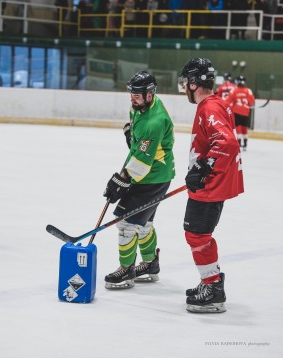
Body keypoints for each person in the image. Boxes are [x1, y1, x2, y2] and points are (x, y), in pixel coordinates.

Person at [177, 57, 244, 313]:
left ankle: (213, 288)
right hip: (211, 183)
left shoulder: (209, 108)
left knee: (196, 235)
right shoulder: (218, 103)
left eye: (186, 83)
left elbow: (227, 143)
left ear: (194, 84)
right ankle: (210, 280)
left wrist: (204, 168)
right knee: (198, 234)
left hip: (210, 186)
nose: (185, 89)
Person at [103, 71, 175, 289]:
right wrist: (133, 135)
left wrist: (121, 181)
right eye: (131, 94)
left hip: (151, 178)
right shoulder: (142, 106)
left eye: (137, 94)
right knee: (144, 223)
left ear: (150, 94)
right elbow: (142, 145)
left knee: (126, 223)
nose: (132, 98)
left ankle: (126, 270)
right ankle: (151, 264)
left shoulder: (154, 122)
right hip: (154, 174)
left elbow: (141, 165)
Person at [225, 75, 255, 150]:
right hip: (245, 112)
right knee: (244, 127)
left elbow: (227, 101)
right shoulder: (248, 91)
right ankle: (245, 144)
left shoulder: (234, 90)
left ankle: (238, 143)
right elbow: (251, 102)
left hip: (236, 112)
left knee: (238, 127)